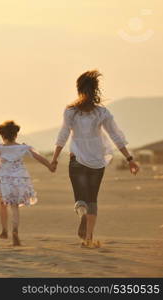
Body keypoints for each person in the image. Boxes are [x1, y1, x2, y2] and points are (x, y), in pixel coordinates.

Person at [51, 70, 140, 248]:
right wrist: (129, 159)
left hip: (77, 159)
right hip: (97, 161)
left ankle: (81, 213)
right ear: (96, 90)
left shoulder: (71, 112)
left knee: (80, 198)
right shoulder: (102, 112)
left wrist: (54, 158)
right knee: (92, 199)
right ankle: (89, 238)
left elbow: (63, 134)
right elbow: (116, 136)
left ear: (78, 89)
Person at [0, 121, 54, 246]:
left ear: (2, 135)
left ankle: (4, 231)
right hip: (19, 178)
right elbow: (38, 157)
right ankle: (15, 231)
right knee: (15, 206)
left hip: (3, 179)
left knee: (2, 204)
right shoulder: (23, 147)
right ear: (16, 134)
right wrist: (49, 165)